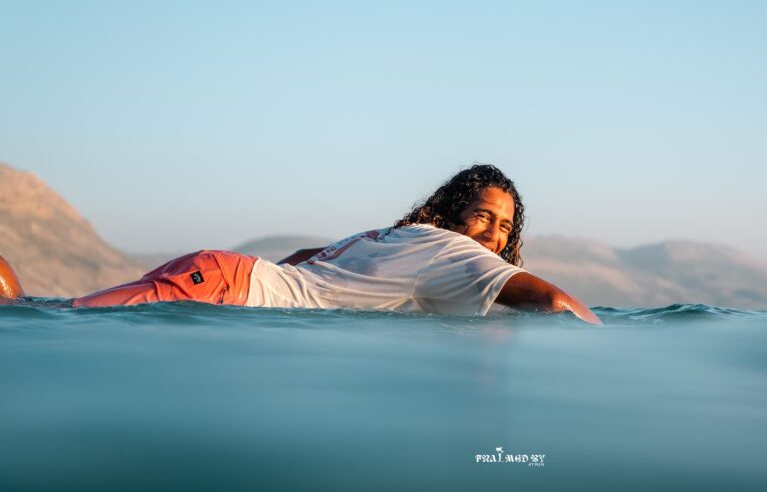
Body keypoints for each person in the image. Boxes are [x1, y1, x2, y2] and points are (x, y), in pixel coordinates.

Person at [0, 165, 601, 325]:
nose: (492, 236)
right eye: (483, 217)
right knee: (22, 318)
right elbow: (553, 301)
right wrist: (607, 338)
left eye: (505, 227)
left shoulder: (394, 237)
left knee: (33, 313)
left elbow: (295, 264)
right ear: (451, 213)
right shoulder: (452, 249)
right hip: (224, 288)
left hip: (219, 275)